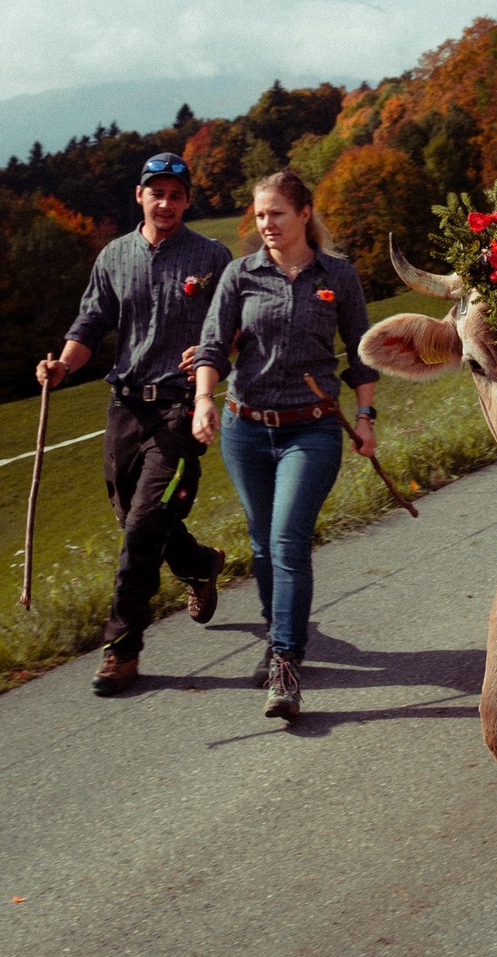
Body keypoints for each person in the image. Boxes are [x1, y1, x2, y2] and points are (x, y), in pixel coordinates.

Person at [35, 152, 231, 698]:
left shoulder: (212, 257)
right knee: (132, 517)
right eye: (156, 193)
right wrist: (63, 365)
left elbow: (236, 325)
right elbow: (91, 320)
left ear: (188, 200)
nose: (165, 203)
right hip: (125, 408)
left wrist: (215, 354)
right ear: (140, 196)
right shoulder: (114, 256)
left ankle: (122, 651)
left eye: (175, 194)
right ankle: (198, 564)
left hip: (180, 410)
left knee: (144, 529)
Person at [191, 169, 379, 720]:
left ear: (303, 213)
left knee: (287, 539)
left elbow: (361, 352)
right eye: (259, 215)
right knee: (261, 544)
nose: (266, 224)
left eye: (276, 213)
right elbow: (211, 345)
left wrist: (365, 416)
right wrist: (205, 399)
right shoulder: (239, 275)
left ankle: (285, 664)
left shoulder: (337, 277)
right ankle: (279, 636)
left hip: (311, 429)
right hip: (245, 428)